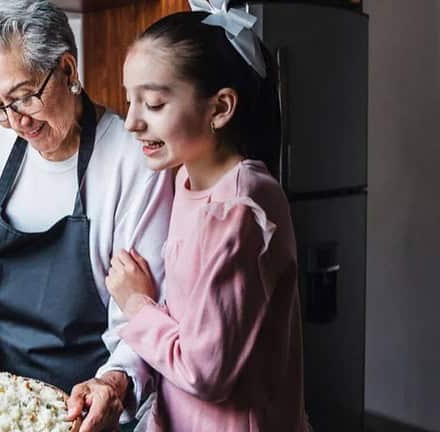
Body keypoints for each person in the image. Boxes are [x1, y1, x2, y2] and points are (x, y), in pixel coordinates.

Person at [0, 1, 173, 430]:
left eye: (24, 97)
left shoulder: (132, 158)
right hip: (5, 407)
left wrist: (115, 381)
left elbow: (141, 306)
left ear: (67, 69)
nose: (14, 121)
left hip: (91, 412)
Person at [105, 3, 308, 431]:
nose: (131, 122)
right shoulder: (188, 182)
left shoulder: (240, 209)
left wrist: (136, 304)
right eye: (130, 101)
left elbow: (205, 371)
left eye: (154, 103)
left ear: (219, 108)